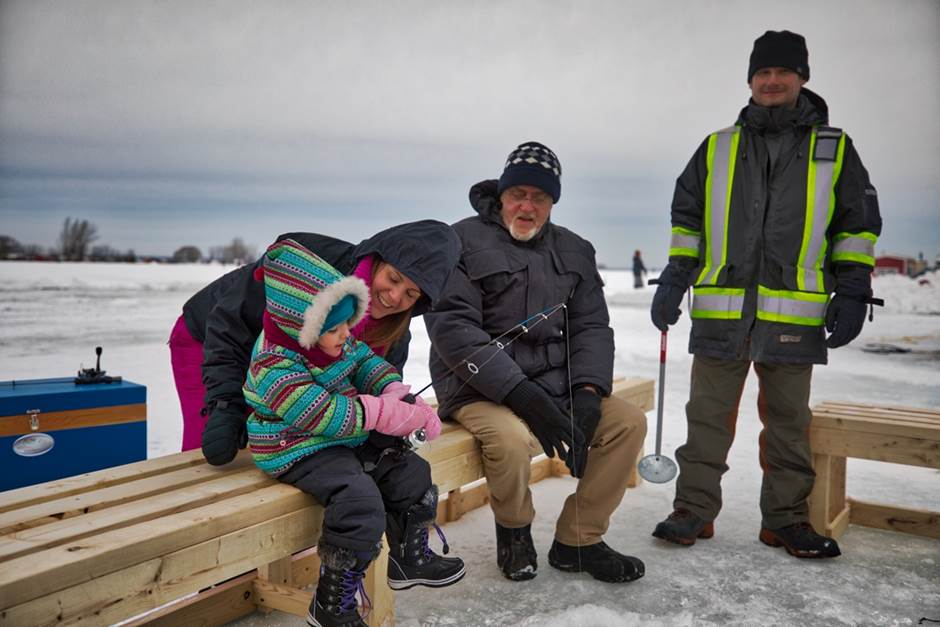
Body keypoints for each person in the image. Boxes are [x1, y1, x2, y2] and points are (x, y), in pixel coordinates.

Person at [649, 30, 881, 559]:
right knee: (706, 418)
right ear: (750, 80)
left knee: (789, 424)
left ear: (801, 78)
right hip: (721, 311)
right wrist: (673, 278)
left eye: (782, 72)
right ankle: (692, 511)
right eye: (762, 74)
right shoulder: (717, 147)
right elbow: (687, 221)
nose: (772, 81)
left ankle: (785, 520)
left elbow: (856, 225)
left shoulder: (834, 149)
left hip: (792, 314)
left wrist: (852, 288)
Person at [425, 141, 648, 584]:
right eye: (518, 194)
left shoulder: (575, 249)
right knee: (508, 440)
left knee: (627, 423)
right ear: (502, 194)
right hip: (477, 388)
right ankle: (514, 532)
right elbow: (454, 330)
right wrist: (522, 395)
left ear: (552, 202)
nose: (527, 206)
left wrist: (587, 392)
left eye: (539, 197)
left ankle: (578, 541)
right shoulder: (461, 240)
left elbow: (592, 328)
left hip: (557, 383)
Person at [244, 238, 465, 627]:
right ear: (303, 326)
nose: (348, 334)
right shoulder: (274, 363)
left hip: (341, 437)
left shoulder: (333, 340)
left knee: (410, 471)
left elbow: (364, 362)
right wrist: (381, 412)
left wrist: (394, 391)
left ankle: (408, 557)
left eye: (349, 323)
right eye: (337, 328)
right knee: (359, 500)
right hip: (294, 445)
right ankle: (331, 605)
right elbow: (319, 414)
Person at [167, 220, 460, 459]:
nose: (395, 296)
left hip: (285, 374)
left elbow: (370, 386)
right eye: (394, 278)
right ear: (378, 261)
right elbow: (230, 323)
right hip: (211, 340)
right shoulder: (311, 269)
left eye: (411, 294)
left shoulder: (393, 335)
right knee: (213, 451)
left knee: (283, 451)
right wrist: (225, 404)